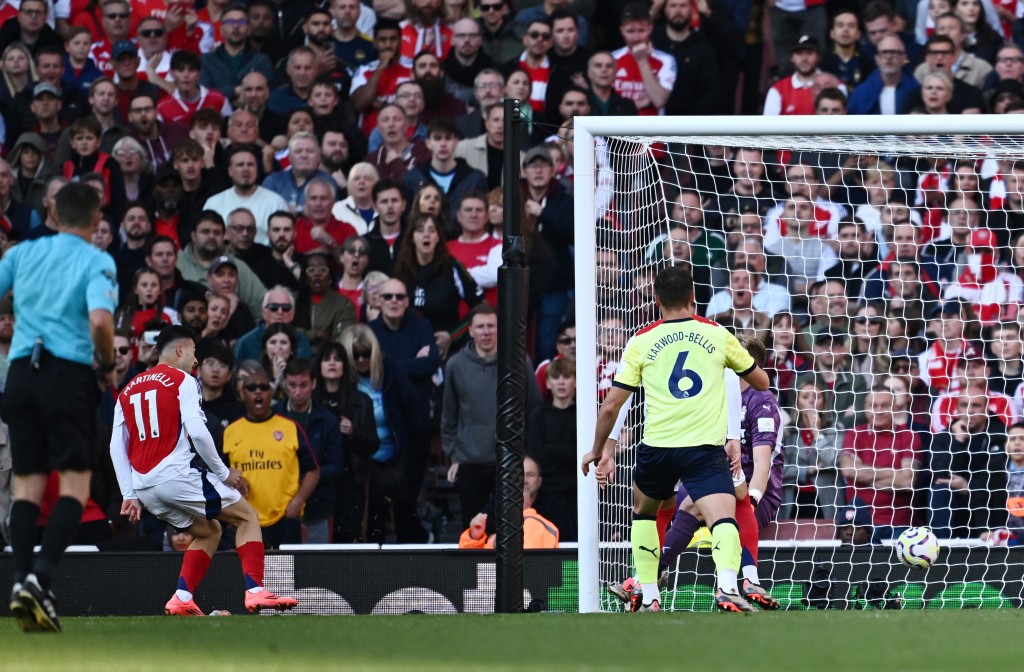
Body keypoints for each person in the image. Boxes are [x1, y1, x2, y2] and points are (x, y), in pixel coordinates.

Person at [581, 264, 770, 613]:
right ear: (693, 297)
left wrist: (597, 450)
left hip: (657, 449)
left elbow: (611, 407)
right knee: (723, 518)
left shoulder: (641, 340)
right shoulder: (717, 334)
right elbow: (761, 383)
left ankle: (649, 595)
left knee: (644, 514)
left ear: (655, 300)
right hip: (702, 449)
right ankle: (729, 587)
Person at [109, 325, 299, 615]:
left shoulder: (127, 390)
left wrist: (129, 493)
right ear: (181, 350)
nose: (196, 361)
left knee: (209, 530)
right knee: (247, 515)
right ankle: (256, 591)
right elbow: (197, 433)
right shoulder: (183, 381)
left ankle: (182, 598)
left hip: (145, 487)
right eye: (195, 352)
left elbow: (116, 446)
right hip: (176, 475)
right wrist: (223, 474)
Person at [3, 183, 117, 633]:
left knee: (26, 489)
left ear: (52, 210)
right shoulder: (96, 260)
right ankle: (40, 577)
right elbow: (100, 320)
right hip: (66, 375)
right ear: (95, 219)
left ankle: (20, 583)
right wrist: (106, 365)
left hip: (19, 376)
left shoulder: (21, 254)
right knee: (75, 485)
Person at [223, 364, 320, 548]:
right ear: (242, 394)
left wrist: (299, 501)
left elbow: (313, 471)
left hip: (285, 519)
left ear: (271, 393)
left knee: (282, 576)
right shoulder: (230, 432)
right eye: (251, 388)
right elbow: (215, 473)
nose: (258, 391)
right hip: (245, 519)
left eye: (264, 387)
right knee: (247, 575)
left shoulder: (290, 427)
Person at [838, 386, 921, 542]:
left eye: (884, 405)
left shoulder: (909, 436)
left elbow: (907, 482)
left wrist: (863, 476)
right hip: (860, 524)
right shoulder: (854, 434)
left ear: (895, 407)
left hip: (899, 524)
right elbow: (849, 470)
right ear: (865, 408)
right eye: (873, 406)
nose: (879, 410)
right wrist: (893, 473)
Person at [275, 358, 343, 544]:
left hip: (317, 506)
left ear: (313, 383)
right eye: (292, 385)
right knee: (282, 568)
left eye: (303, 385)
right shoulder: (273, 416)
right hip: (278, 508)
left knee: (316, 567)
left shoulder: (327, 420)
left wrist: (305, 478)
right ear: (285, 384)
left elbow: (337, 466)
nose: (297, 391)